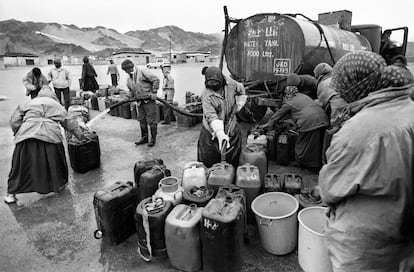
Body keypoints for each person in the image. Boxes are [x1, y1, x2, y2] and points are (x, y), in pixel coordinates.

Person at [319, 51, 414, 272]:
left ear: (353, 87)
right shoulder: (409, 109)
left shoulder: (357, 130)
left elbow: (330, 189)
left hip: (367, 244)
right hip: (403, 233)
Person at [5, 85, 85, 204]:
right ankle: (58, 185)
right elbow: (70, 123)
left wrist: (19, 133)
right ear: (53, 96)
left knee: (20, 167)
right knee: (54, 163)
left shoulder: (28, 104)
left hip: (27, 135)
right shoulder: (57, 105)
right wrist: (80, 135)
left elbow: (15, 121)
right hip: (50, 136)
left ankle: (11, 194)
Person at [260, 84, 328, 169]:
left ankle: (303, 163)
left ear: (286, 94)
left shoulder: (289, 102)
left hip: (309, 122)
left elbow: (278, 114)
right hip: (323, 119)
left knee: (302, 144)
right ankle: (317, 164)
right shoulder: (303, 96)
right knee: (317, 144)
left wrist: (268, 123)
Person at [197, 66, 247, 168]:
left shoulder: (231, 83)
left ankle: (230, 177)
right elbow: (211, 115)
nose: (214, 86)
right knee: (209, 158)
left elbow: (241, 90)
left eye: (216, 84)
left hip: (231, 124)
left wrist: (238, 104)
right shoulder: (206, 96)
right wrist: (219, 132)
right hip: (211, 130)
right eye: (211, 84)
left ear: (222, 80)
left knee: (232, 156)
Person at [121, 59, 160, 147]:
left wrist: (154, 92)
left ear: (130, 68)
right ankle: (144, 138)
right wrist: (126, 98)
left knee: (151, 120)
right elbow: (131, 91)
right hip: (139, 102)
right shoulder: (129, 79)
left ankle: (153, 139)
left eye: (126, 70)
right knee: (141, 119)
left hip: (149, 100)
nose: (126, 72)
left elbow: (156, 79)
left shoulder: (142, 71)